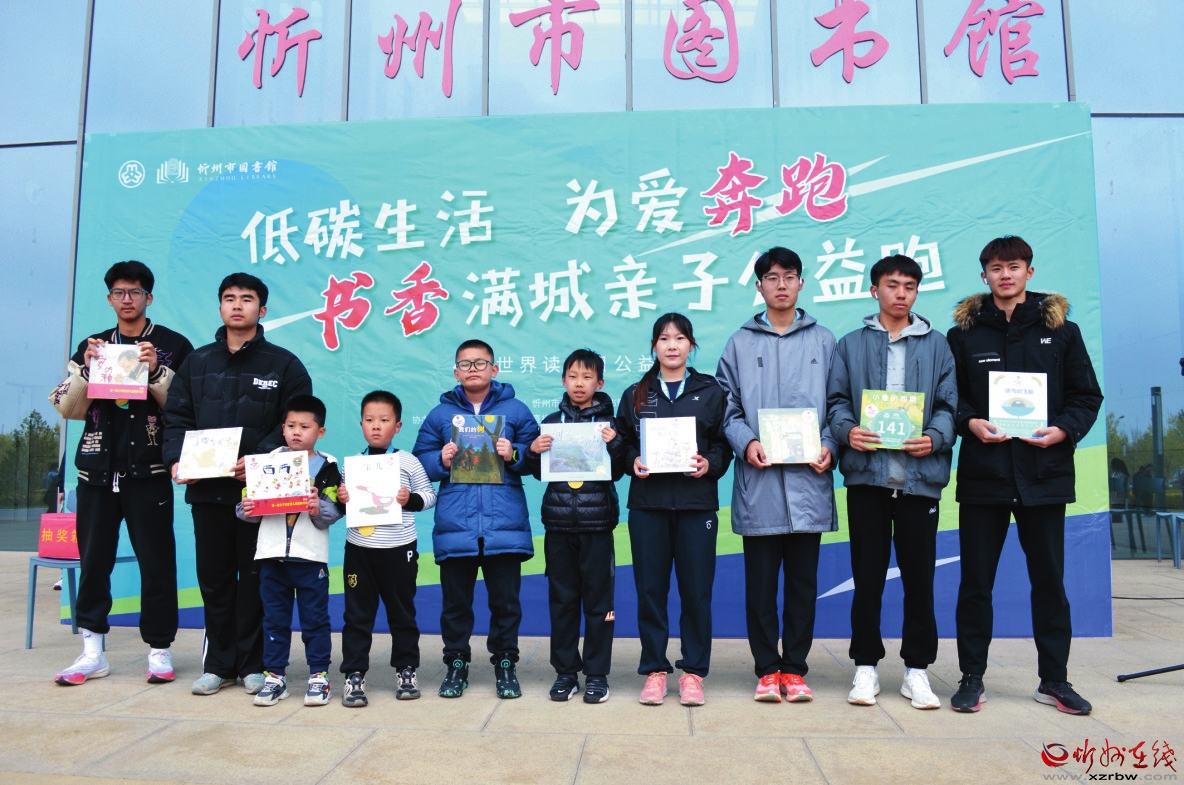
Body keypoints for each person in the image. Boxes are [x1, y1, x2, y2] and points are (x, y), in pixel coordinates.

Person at [946, 235, 1103, 714]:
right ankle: (972, 677)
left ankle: (1054, 680)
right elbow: (951, 400)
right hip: (985, 476)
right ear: (984, 276)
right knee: (976, 584)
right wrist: (969, 422)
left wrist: (1063, 430)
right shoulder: (964, 336)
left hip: (1044, 474)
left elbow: (1086, 396)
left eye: (1014, 266)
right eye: (996, 268)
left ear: (1029, 272)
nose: (1005, 275)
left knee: (1050, 583)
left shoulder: (1062, 332)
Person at [163, 272, 313, 697]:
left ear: (261, 310)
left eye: (246, 299)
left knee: (255, 580)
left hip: (260, 494)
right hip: (208, 491)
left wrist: (262, 459)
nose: (237, 305)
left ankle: (253, 665)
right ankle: (218, 665)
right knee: (213, 579)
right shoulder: (197, 363)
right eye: (229, 298)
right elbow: (177, 418)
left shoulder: (284, 364)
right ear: (220, 307)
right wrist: (176, 460)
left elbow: (295, 424)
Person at [48, 260, 194, 686]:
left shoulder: (172, 345)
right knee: (93, 563)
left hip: (148, 471)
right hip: (96, 472)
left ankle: (160, 650)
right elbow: (67, 407)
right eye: (119, 292)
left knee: (157, 563)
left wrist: (157, 372)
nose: (127, 299)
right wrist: (86, 370)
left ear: (149, 297)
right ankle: (92, 651)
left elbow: (186, 408)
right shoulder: (93, 345)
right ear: (110, 298)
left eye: (135, 292)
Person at [825, 254, 958, 710]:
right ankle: (865, 666)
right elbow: (837, 401)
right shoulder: (851, 344)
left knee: (920, 580)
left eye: (910, 286)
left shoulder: (938, 345)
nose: (901, 294)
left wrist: (935, 437)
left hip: (921, 480)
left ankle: (917, 671)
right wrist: (848, 431)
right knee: (867, 579)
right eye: (892, 285)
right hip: (868, 479)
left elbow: (949, 404)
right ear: (874, 290)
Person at [715, 247, 835, 703]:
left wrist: (830, 443)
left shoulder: (824, 340)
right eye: (771, 277)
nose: (781, 285)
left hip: (809, 483)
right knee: (761, 589)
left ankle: (795, 669)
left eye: (789, 276)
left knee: (803, 587)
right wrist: (746, 441)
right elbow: (725, 405)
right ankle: (767, 669)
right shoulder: (740, 343)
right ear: (759, 286)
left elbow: (840, 402)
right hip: (760, 484)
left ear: (801, 282)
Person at [412, 340, 541, 699]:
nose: (473, 369)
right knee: (456, 605)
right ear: (456, 372)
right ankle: (456, 664)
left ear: (494, 369)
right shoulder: (440, 415)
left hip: (504, 525)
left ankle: (505, 664)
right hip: (457, 525)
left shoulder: (515, 410)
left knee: (506, 604)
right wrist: (440, 459)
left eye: (480, 363)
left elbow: (538, 457)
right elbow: (419, 461)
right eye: (465, 364)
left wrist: (514, 453)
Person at [616, 313, 732, 707]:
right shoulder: (636, 393)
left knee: (696, 592)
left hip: (696, 504)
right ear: (654, 346)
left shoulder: (710, 391)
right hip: (647, 506)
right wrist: (631, 459)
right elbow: (622, 443)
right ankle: (654, 670)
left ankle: (693, 672)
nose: (671, 345)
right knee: (650, 591)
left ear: (691, 345)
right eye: (664, 338)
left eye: (680, 338)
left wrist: (709, 464)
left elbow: (723, 444)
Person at [525, 349, 627, 704]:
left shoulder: (611, 424)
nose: (579, 383)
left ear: (600, 383)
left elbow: (620, 470)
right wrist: (534, 450)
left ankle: (597, 675)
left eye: (587, 377)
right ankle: (566, 673)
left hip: (597, 525)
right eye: (572, 376)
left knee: (599, 604)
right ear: (563, 380)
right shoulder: (552, 421)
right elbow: (537, 472)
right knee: (563, 601)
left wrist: (615, 444)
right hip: (558, 525)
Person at [235, 395, 342, 707]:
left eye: (305, 427)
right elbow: (245, 508)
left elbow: (334, 512)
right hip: (271, 558)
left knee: (315, 620)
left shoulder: (328, 466)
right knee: (274, 620)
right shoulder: (265, 463)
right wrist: (248, 508)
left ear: (320, 432)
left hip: (310, 558)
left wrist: (317, 507)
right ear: (282, 429)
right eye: (291, 425)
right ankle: (275, 677)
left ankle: (319, 676)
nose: (297, 432)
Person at [337, 390, 437, 707]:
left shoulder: (408, 462)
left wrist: (411, 499)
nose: (376, 426)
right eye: (369, 420)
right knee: (357, 615)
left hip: (399, 550)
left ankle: (406, 670)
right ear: (361, 425)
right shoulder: (352, 466)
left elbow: (430, 495)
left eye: (384, 420)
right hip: (360, 550)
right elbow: (341, 506)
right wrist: (342, 498)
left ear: (398, 425)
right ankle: (354, 675)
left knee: (402, 613)